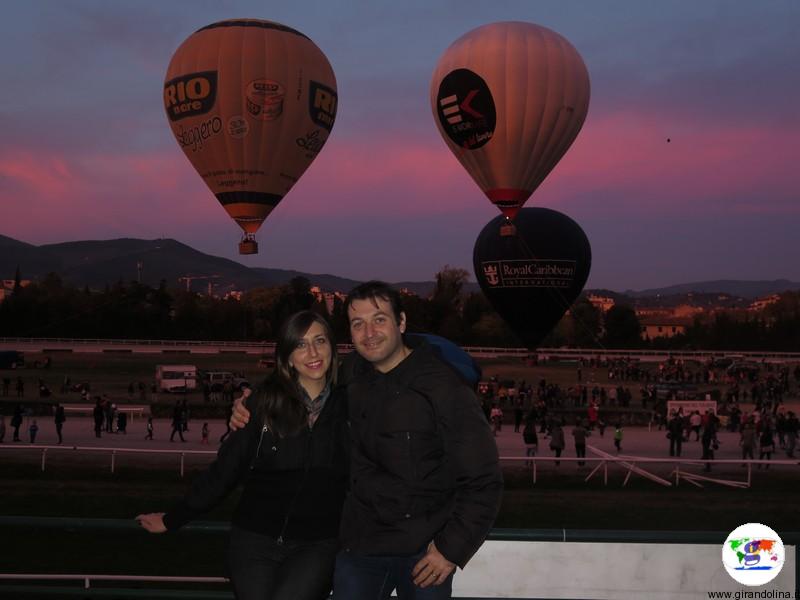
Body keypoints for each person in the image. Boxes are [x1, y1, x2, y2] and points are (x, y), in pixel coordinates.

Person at [230, 281, 503, 600]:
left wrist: (450, 549)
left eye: (379, 319)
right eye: (358, 324)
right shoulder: (351, 373)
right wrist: (250, 403)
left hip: (425, 552)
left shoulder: (445, 388)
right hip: (360, 548)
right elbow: (298, 377)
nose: (369, 332)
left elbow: (484, 480)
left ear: (401, 323)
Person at [137, 311, 349, 600]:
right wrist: (175, 518)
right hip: (254, 540)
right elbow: (226, 470)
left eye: (320, 340)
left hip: (317, 544)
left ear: (332, 347)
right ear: (287, 356)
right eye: (300, 344)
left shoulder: (352, 404)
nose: (312, 352)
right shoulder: (260, 404)